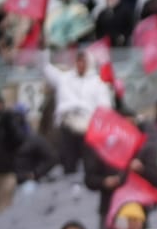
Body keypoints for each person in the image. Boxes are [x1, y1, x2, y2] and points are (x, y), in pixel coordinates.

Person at [42, 48, 112, 179]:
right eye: (78, 61)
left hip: (88, 126)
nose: (80, 64)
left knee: (89, 161)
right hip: (67, 123)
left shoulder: (98, 83)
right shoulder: (64, 79)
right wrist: (44, 49)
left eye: (83, 61)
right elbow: (46, 69)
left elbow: (105, 107)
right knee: (68, 159)